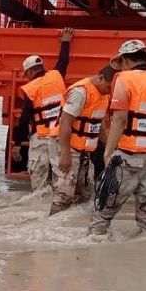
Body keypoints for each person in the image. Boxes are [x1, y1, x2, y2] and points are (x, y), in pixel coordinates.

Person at [89, 39, 146, 238]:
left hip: (127, 159)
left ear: (124, 61)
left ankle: (92, 255)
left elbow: (119, 120)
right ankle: (144, 259)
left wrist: (107, 153)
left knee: (103, 211)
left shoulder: (124, 79)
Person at [10, 28, 75, 192]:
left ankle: (38, 210)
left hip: (41, 138)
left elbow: (25, 117)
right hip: (61, 136)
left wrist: (17, 144)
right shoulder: (57, 75)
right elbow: (63, 60)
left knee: (38, 181)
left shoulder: (31, 87)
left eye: (27, 74)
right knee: (61, 177)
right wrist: (66, 41)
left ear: (30, 71)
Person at [51, 65, 116, 215]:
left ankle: (72, 226)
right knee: (64, 195)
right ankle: (51, 228)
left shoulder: (103, 94)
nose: (110, 91)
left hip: (84, 151)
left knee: (87, 194)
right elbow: (65, 123)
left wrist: (111, 148)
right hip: (67, 147)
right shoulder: (80, 92)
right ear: (100, 77)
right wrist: (65, 154)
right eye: (108, 86)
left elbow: (98, 124)